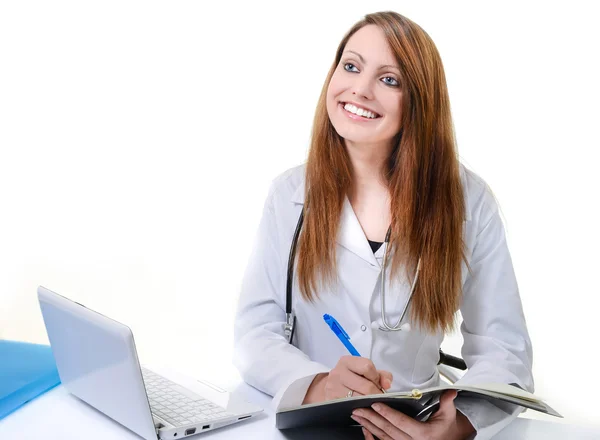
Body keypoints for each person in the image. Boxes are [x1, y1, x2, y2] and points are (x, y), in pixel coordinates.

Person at [233, 10, 533, 440]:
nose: (360, 88)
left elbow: (505, 348)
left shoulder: (469, 202)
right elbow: (254, 332)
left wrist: (460, 423)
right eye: (351, 66)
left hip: (415, 429)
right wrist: (317, 385)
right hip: (308, 423)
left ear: (419, 102)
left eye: (389, 79)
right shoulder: (290, 194)